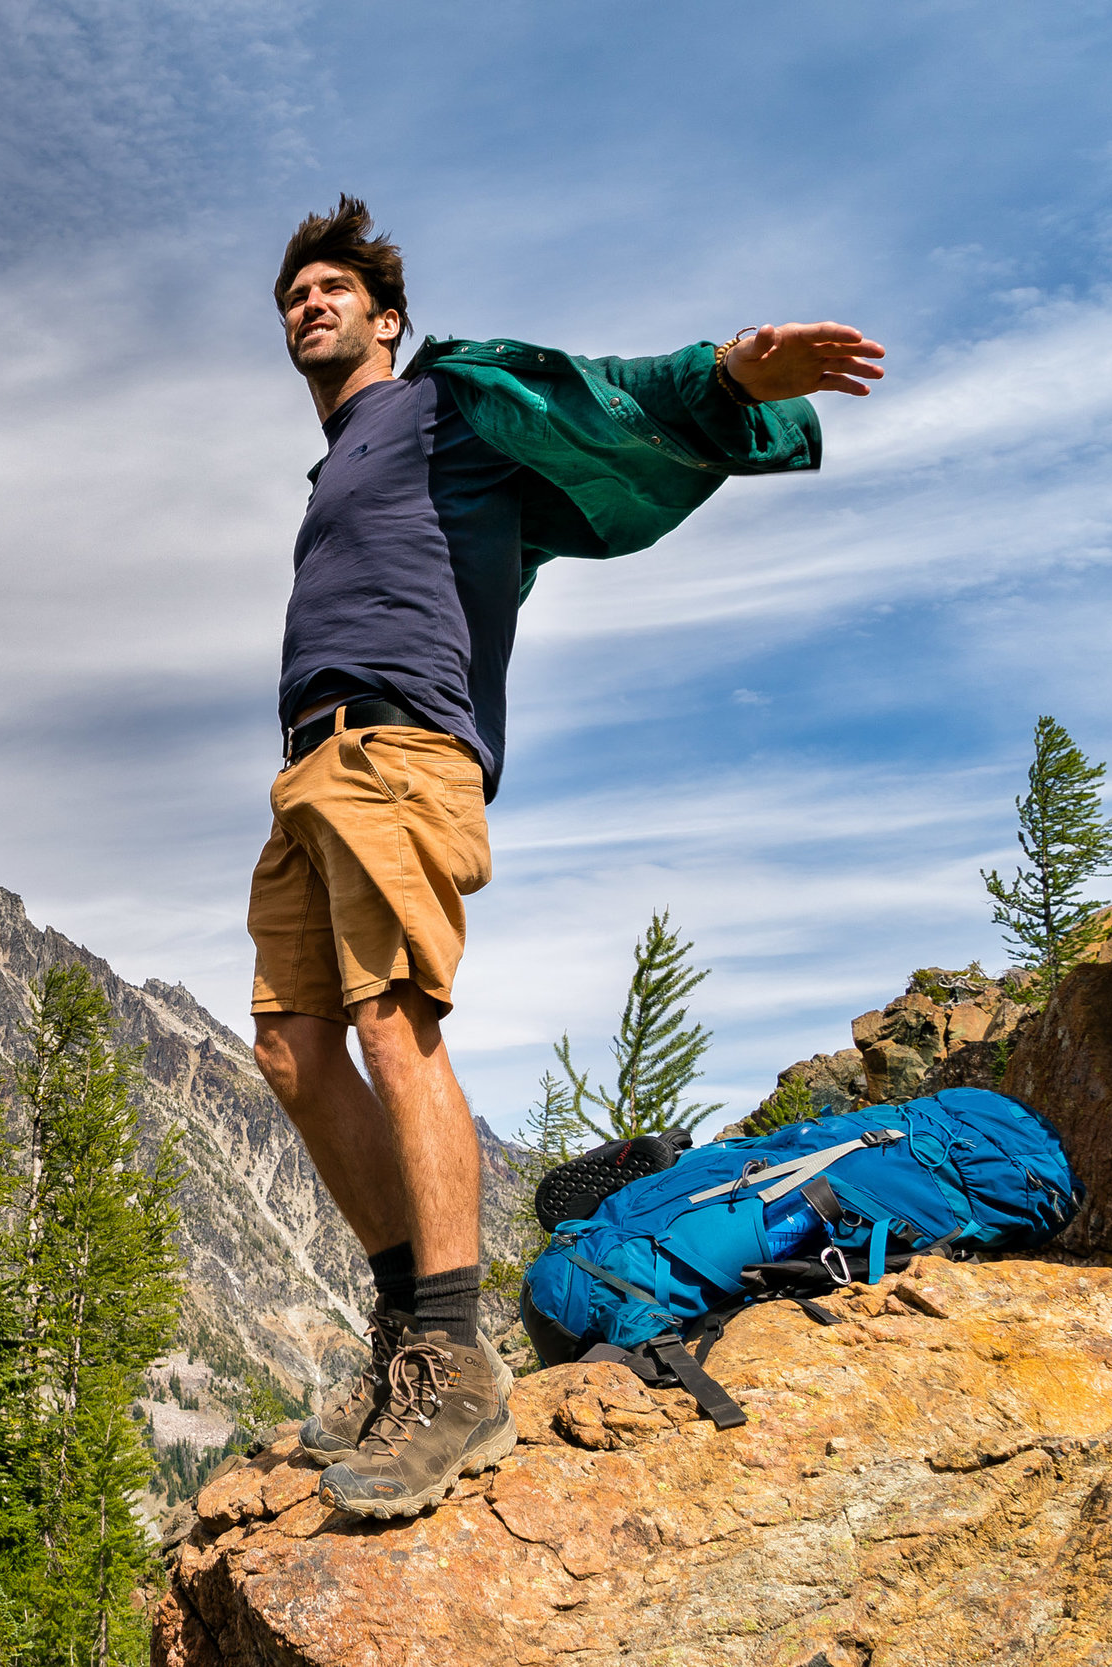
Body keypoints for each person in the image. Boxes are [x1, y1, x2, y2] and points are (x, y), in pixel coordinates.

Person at [247, 196, 884, 1519]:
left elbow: (596, 398)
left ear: (386, 316)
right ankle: (399, 1332)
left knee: (390, 1020)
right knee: (295, 1052)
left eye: (332, 289)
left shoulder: (445, 409)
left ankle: (458, 1360)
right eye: (293, 295)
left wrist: (728, 376)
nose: (309, 304)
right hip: (310, 765)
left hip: (402, 753)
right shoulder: (345, 461)